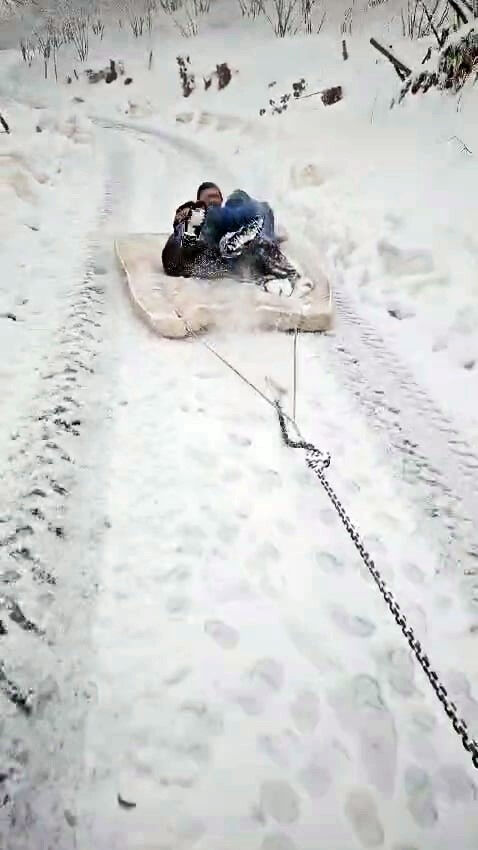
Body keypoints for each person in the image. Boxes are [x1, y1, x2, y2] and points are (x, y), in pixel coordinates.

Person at [161, 182, 298, 292]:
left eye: (217, 196)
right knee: (247, 207)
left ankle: (267, 247)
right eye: (209, 196)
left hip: (212, 259)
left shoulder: (226, 215)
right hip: (188, 255)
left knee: (241, 203)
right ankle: (267, 245)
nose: (214, 199)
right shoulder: (206, 216)